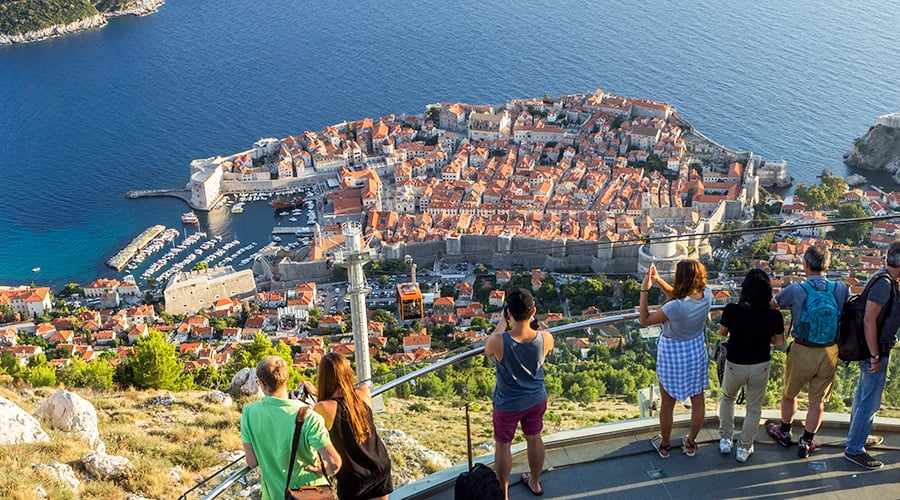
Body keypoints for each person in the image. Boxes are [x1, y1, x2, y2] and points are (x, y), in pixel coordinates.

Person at [766, 244, 848, 458]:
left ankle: (784, 431)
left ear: (805, 264)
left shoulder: (796, 290)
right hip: (830, 351)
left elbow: (772, 305)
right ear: (827, 265)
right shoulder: (840, 289)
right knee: (817, 401)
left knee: (789, 394)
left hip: (803, 349)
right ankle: (807, 441)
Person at [484, 288, 554, 498]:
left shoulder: (500, 341)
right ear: (534, 310)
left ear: (508, 313)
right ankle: (535, 482)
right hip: (535, 398)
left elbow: (487, 348)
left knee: (503, 446)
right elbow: (537, 340)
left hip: (508, 404)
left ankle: (503, 495)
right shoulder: (546, 338)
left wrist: (504, 322)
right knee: (534, 438)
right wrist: (535, 325)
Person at [241, 356, 342, 500]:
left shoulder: (249, 412)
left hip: (274, 495)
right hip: (311, 493)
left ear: (262, 384)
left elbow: (251, 462)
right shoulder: (309, 416)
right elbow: (335, 463)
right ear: (286, 378)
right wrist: (323, 470)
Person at [639, 260, 712, 458]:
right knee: (698, 400)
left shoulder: (676, 307)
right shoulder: (707, 294)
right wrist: (659, 281)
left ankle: (665, 445)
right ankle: (690, 442)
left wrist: (644, 290)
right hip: (695, 348)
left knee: (667, 402)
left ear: (682, 279)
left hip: (672, 352)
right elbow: (681, 296)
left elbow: (644, 319)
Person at [717, 269, 785, 462]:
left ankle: (725, 439)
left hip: (735, 362)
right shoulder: (774, 316)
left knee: (728, 398)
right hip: (760, 364)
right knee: (754, 408)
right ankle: (744, 448)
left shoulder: (732, 309)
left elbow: (722, 332)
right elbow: (779, 341)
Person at [844, 241, 900, 469]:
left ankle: (857, 437)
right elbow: (869, 320)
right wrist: (875, 356)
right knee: (870, 401)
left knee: (862, 396)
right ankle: (855, 448)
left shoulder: (885, 278)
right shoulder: (884, 285)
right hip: (874, 350)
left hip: (871, 348)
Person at [308, 353, 393, 500]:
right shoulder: (364, 393)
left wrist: (316, 395)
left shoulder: (322, 408)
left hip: (353, 477)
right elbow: (347, 406)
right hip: (379, 466)